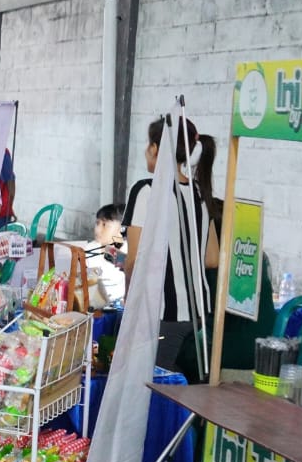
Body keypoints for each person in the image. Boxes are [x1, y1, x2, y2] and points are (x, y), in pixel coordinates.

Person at [123, 115, 221, 381]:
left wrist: (128, 301)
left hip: (162, 315)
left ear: (156, 148)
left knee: (157, 389)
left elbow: (134, 261)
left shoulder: (146, 191)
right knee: (189, 391)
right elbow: (212, 259)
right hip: (200, 316)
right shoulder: (200, 192)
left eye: (148, 144)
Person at [90, 202, 127, 305]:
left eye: (105, 225)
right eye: (97, 223)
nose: (98, 230)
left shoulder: (127, 250)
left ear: (122, 228)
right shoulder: (90, 248)